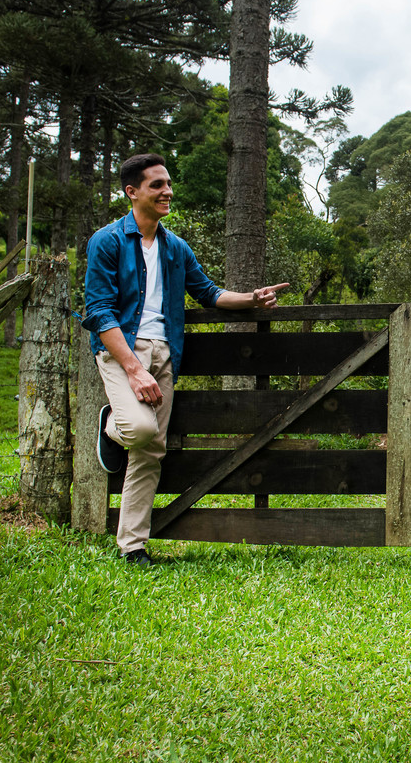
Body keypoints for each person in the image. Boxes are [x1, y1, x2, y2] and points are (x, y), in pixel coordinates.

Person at [83, 152, 289, 566]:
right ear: (132, 192)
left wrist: (252, 298)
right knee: (140, 431)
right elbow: (100, 311)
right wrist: (134, 369)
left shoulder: (175, 247)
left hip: (166, 354)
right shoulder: (107, 241)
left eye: (168, 183)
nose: (168, 191)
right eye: (157, 185)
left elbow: (208, 292)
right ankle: (112, 425)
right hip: (123, 352)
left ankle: (132, 546)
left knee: (150, 453)